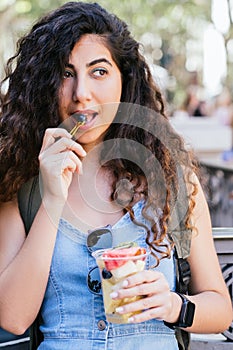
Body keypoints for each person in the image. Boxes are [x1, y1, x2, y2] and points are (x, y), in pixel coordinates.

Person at [0, 2, 231, 350]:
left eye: (99, 72)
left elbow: (220, 307)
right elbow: (13, 318)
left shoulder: (170, 178)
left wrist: (173, 305)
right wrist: (53, 196)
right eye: (65, 73)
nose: (81, 93)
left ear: (125, 80)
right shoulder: (22, 182)